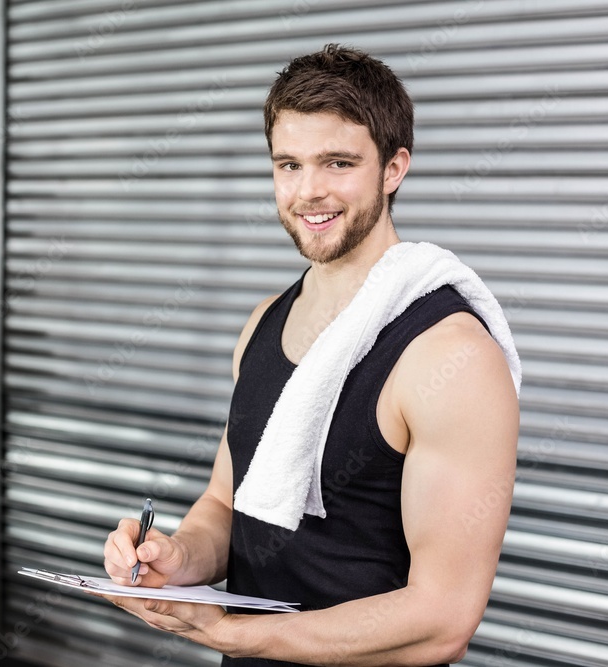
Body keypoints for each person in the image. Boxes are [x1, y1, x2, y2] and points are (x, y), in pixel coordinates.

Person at [101, 44, 520, 666]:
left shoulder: (447, 356)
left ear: (394, 168)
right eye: (289, 165)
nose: (309, 192)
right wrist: (177, 557)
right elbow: (225, 502)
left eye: (338, 163)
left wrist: (233, 633)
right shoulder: (264, 323)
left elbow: (442, 618)